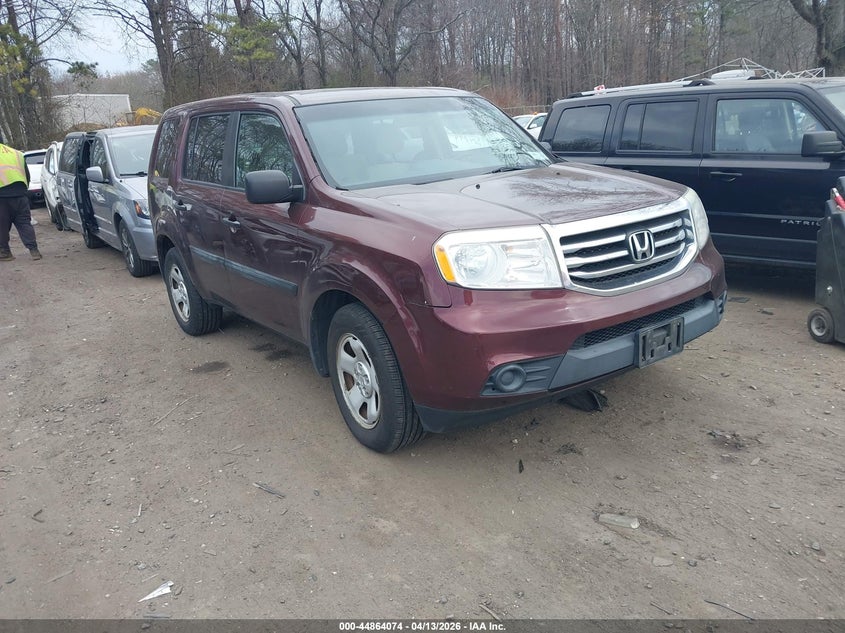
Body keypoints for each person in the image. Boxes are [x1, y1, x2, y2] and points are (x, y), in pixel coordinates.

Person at [0, 134, 41, 261]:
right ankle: (34, 250)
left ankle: (5, 252)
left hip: (2, 196)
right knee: (24, 223)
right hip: (20, 194)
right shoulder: (16, 153)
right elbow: (26, 175)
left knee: (1, 225)